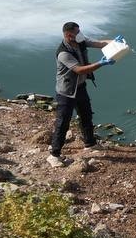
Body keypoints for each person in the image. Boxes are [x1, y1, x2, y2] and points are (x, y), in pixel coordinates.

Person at [47, 22, 120, 168]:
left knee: (86, 115)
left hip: (80, 87)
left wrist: (116, 43)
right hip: (66, 92)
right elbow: (80, 70)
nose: (80, 34)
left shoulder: (79, 41)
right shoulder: (63, 53)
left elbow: (100, 43)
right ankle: (54, 155)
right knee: (63, 123)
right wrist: (101, 63)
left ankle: (90, 144)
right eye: (77, 32)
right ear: (68, 35)